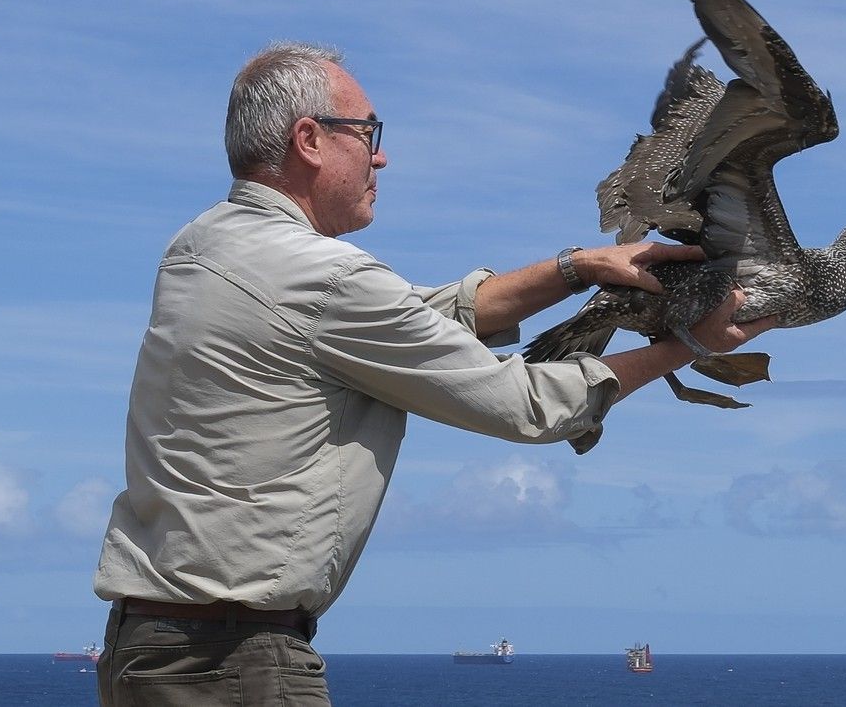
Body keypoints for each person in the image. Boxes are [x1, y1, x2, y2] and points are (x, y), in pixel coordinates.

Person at [92, 41, 774, 706]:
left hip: (145, 646)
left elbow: (415, 315)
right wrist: (686, 344)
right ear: (309, 139)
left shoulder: (198, 245)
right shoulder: (325, 279)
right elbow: (524, 403)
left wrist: (578, 268)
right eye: (366, 131)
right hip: (234, 661)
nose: (380, 153)